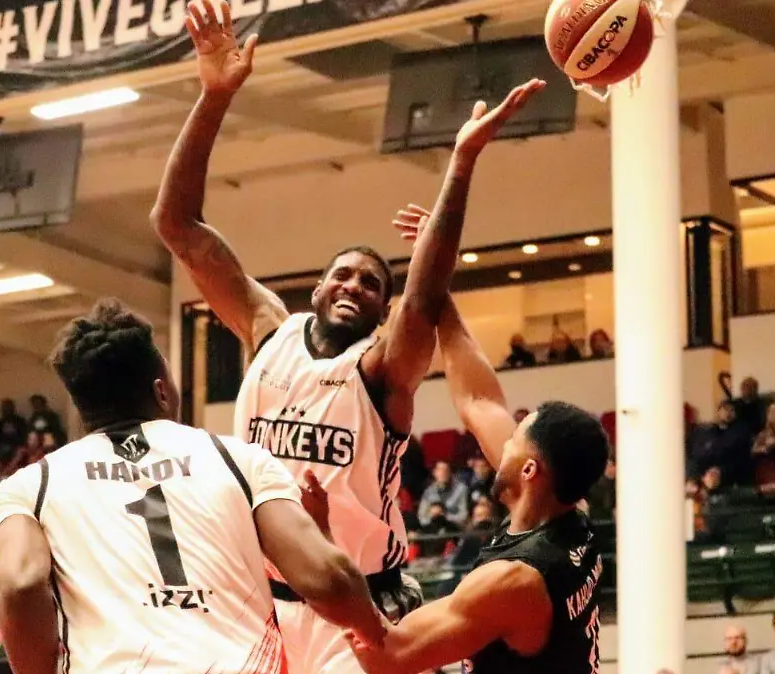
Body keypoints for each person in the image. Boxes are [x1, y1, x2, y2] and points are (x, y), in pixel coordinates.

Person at [149, 2, 546, 671]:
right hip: (261, 600)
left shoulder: (383, 368)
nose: (354, 286)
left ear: (383, 309)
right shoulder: (269, 330)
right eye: (343, 274)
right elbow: (176, 225)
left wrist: (461, 162)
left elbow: (426, 294)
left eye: (370, 283)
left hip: (360, 603)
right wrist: (214, 97)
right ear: (317, 289)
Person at [0, 299, 386, 674]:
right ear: (161, 390)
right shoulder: (240, 460)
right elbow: (326, 579)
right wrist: (378, 634)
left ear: (82, 407)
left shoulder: (29, 487)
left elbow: (19, 583)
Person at [343, 208, 610, 674]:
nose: (501, 444)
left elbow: (387, 656)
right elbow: (479, 399)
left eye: (514, 440)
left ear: (530, 471)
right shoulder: (568, 509)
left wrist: (322, 555)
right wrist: (435, 277)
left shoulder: (515, 581)